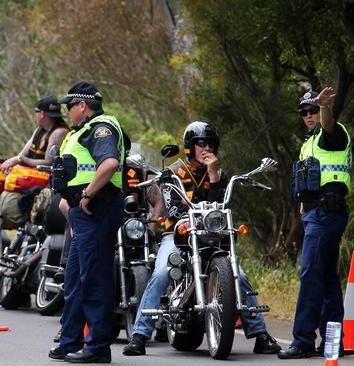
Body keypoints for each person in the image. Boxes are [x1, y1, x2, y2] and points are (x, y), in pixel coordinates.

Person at [122, 121, 280, 357]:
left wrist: (215, 177)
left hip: (211, 237)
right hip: (176, 235)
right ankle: (139, 336)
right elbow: (173, 209)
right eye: (201, 144)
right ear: (189, 147)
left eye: (211, 144)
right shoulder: (173, 173)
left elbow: (219, 205)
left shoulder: (219, 173)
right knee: (163, 271)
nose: (207, 148)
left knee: (240, 274)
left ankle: (260, 334)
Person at [47, 81, 126, 364]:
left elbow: (109, 164)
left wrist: (87, 194)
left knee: (94, 279)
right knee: (74, 281)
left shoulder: (100, 128)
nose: (67, 111)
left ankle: (97, 347)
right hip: (83, 213)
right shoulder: (79, 131)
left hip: (98, 207)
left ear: (82, 105)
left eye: (70, 106)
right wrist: (70, 201)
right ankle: (69, 342)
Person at [278, 87, 350, 359]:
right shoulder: (308, 143)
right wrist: (302, 209)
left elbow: (328, 122)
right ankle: (333, 342)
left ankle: (303, 340)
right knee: (327, 279)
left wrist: (324, 106)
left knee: (309, 276)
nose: (309, 116)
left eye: (312, 111)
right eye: (305, 112)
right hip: (313, 214)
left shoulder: (333, 134)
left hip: (326, 213)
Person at [1, 96, 70, 172]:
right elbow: (22, 154)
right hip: (32, 175)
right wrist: (15, 162)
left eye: (36, 111)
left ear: (42, 114)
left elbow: (49, 163)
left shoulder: (59, 133)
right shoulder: (40, 129)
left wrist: (19, 160)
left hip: (48, 180)